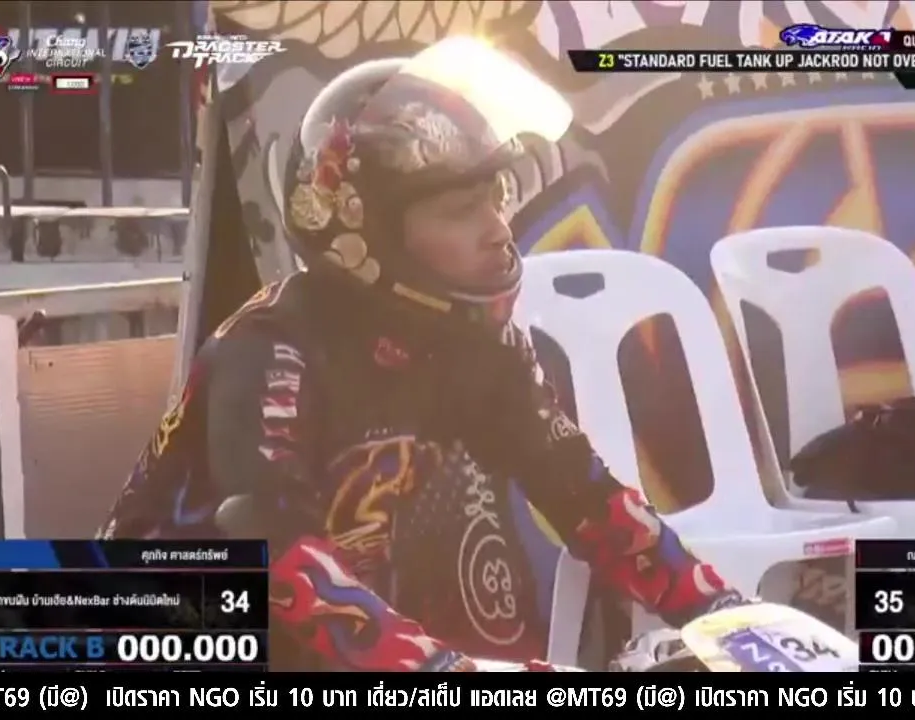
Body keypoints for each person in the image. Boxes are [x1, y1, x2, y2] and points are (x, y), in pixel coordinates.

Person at [98, 37, 745, 671]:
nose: (498, 229)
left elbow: (585, 496)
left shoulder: (476, 344)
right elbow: (278, 555)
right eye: (463, 209)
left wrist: (729, 618)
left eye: (496, 197)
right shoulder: (270, 346)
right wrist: (442, 670)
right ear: (367, 234)